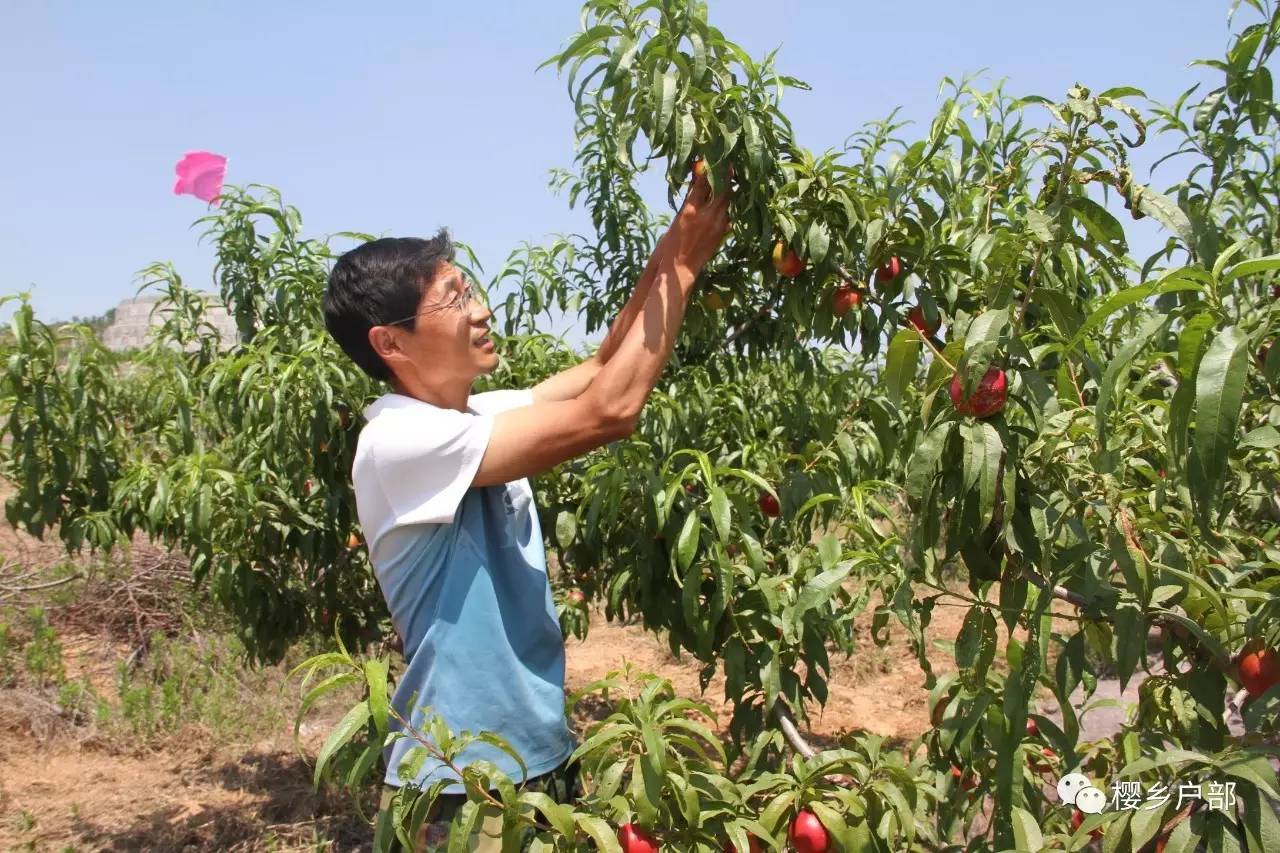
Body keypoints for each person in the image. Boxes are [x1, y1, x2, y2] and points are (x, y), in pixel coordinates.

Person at [321, 166, 732, 850]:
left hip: (536, 761)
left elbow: (604, 367)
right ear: (390, 343)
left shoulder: (474, 415)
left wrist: (677, 238)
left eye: (469, 287)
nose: (480, 308)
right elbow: (611, 409)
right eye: (453, 299)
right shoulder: (397, 438)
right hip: (458, 788)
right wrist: (684, 265)